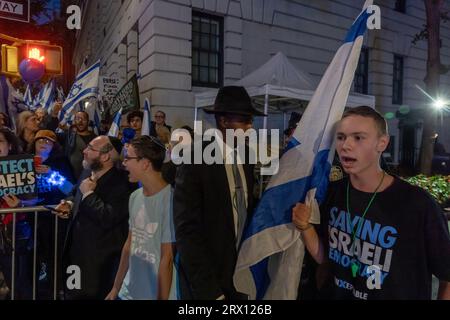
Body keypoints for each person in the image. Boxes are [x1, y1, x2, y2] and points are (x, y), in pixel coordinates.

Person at [292, 106, 450, 300]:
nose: (346, 146)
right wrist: (305, 227)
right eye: (341, 137)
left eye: (358, 137)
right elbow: (327, 258)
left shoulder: (418, 204)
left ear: (382, 143)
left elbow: (447, 275)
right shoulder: (333, 193)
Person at [173, 86, 265, 299]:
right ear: (223, 122)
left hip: (240, 276)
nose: (251, 128)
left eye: (251, 121)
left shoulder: (247, 156)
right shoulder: (194, 159)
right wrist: (210, 292)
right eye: (245, 121)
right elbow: (188, 233)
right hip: (209, 285)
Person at [54, 136, 135, 299]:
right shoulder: (87, 172)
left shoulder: (123, 183)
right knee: (73, 295)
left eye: (91, 148)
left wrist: (89, 195)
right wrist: (68, 203)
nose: (84, 151)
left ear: (105, 156)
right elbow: (74, 194)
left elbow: (108, 217)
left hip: (100, 266)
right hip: (75, 259)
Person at [106, 135, 176, 300]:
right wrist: (116, 287)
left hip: (154, 293)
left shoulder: (171, 200)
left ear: (145, 163)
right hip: (128, 292)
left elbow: (167, 258)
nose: (123, 163)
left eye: (128, 158)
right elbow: (129, 244)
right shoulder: (135, 196)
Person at [28, 130, 75, 298]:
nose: (43, 143)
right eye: (40, 140)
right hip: (30, 217)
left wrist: (51, 174)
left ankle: (56, 288)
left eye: (48, 141)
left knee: (54, 253)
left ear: (54, 145)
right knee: (34, 255)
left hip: (54, 217)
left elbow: (70, 188)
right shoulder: (23, 161)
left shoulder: (60, 162)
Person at [0, 127, 32, 300]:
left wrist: (21, 204)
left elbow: (33, 200)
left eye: (0, 141)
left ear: (10, 145)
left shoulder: (21, 167)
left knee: (18, 283)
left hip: (15, 234)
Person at [58, 111, 97, 179]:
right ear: (74, 121)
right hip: (67, 176)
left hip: (87, 177)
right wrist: (54, 115)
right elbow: (50, 135)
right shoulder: (68, 136)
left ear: (88, 122)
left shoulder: (96, 139)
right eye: (78, 119)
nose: (80, 121)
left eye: (83, 119)